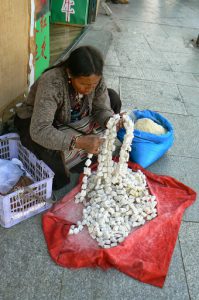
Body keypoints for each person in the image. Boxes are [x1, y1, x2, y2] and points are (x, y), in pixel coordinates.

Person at [14, 46, 122, 190]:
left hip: (72, 118)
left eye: (94, 84)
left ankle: (83, 147)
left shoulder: (96, 80)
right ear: (70, 73)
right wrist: (77, 142)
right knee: (57, 178)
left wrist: (111, 120)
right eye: (83, 84)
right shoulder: (52, 82)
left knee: (113, 98)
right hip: (40, 121)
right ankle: (79, 148)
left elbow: (101, 108)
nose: (89, 89)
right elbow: (40, 129)